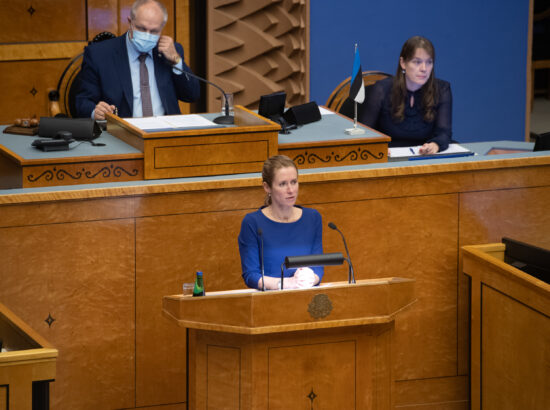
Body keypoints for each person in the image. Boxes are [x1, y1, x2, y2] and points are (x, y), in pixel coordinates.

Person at [75, 0, 200, 120]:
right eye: (141, 28)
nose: (147, 34)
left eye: (154, 31)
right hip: (121, 134)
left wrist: (176, 61)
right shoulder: (99, 54)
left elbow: (191, 95)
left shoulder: (171, 51)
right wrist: (95, 112)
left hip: (165, 133)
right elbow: (82, 102)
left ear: (162, 28)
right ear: (130, 22)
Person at [238, 155, 324, 290]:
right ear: (267, 187)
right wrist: (285, 284)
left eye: (294, 182)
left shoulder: (312, 218)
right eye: (283, 184)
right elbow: (251, 275)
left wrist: (310, 279)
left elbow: (318, 267)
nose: (291, 190)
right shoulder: (252, 222)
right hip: (270, 300)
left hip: (306, 295)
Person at [359, 36, 452, 153]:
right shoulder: (381, 90)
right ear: (403, 63)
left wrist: (435, 145)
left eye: (429, 62)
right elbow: (365, 133)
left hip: (425, 159)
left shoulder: (442, 90)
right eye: (417, 62)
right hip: (387, 159)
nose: (424, 68)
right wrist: (377, 148)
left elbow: (444, 133)